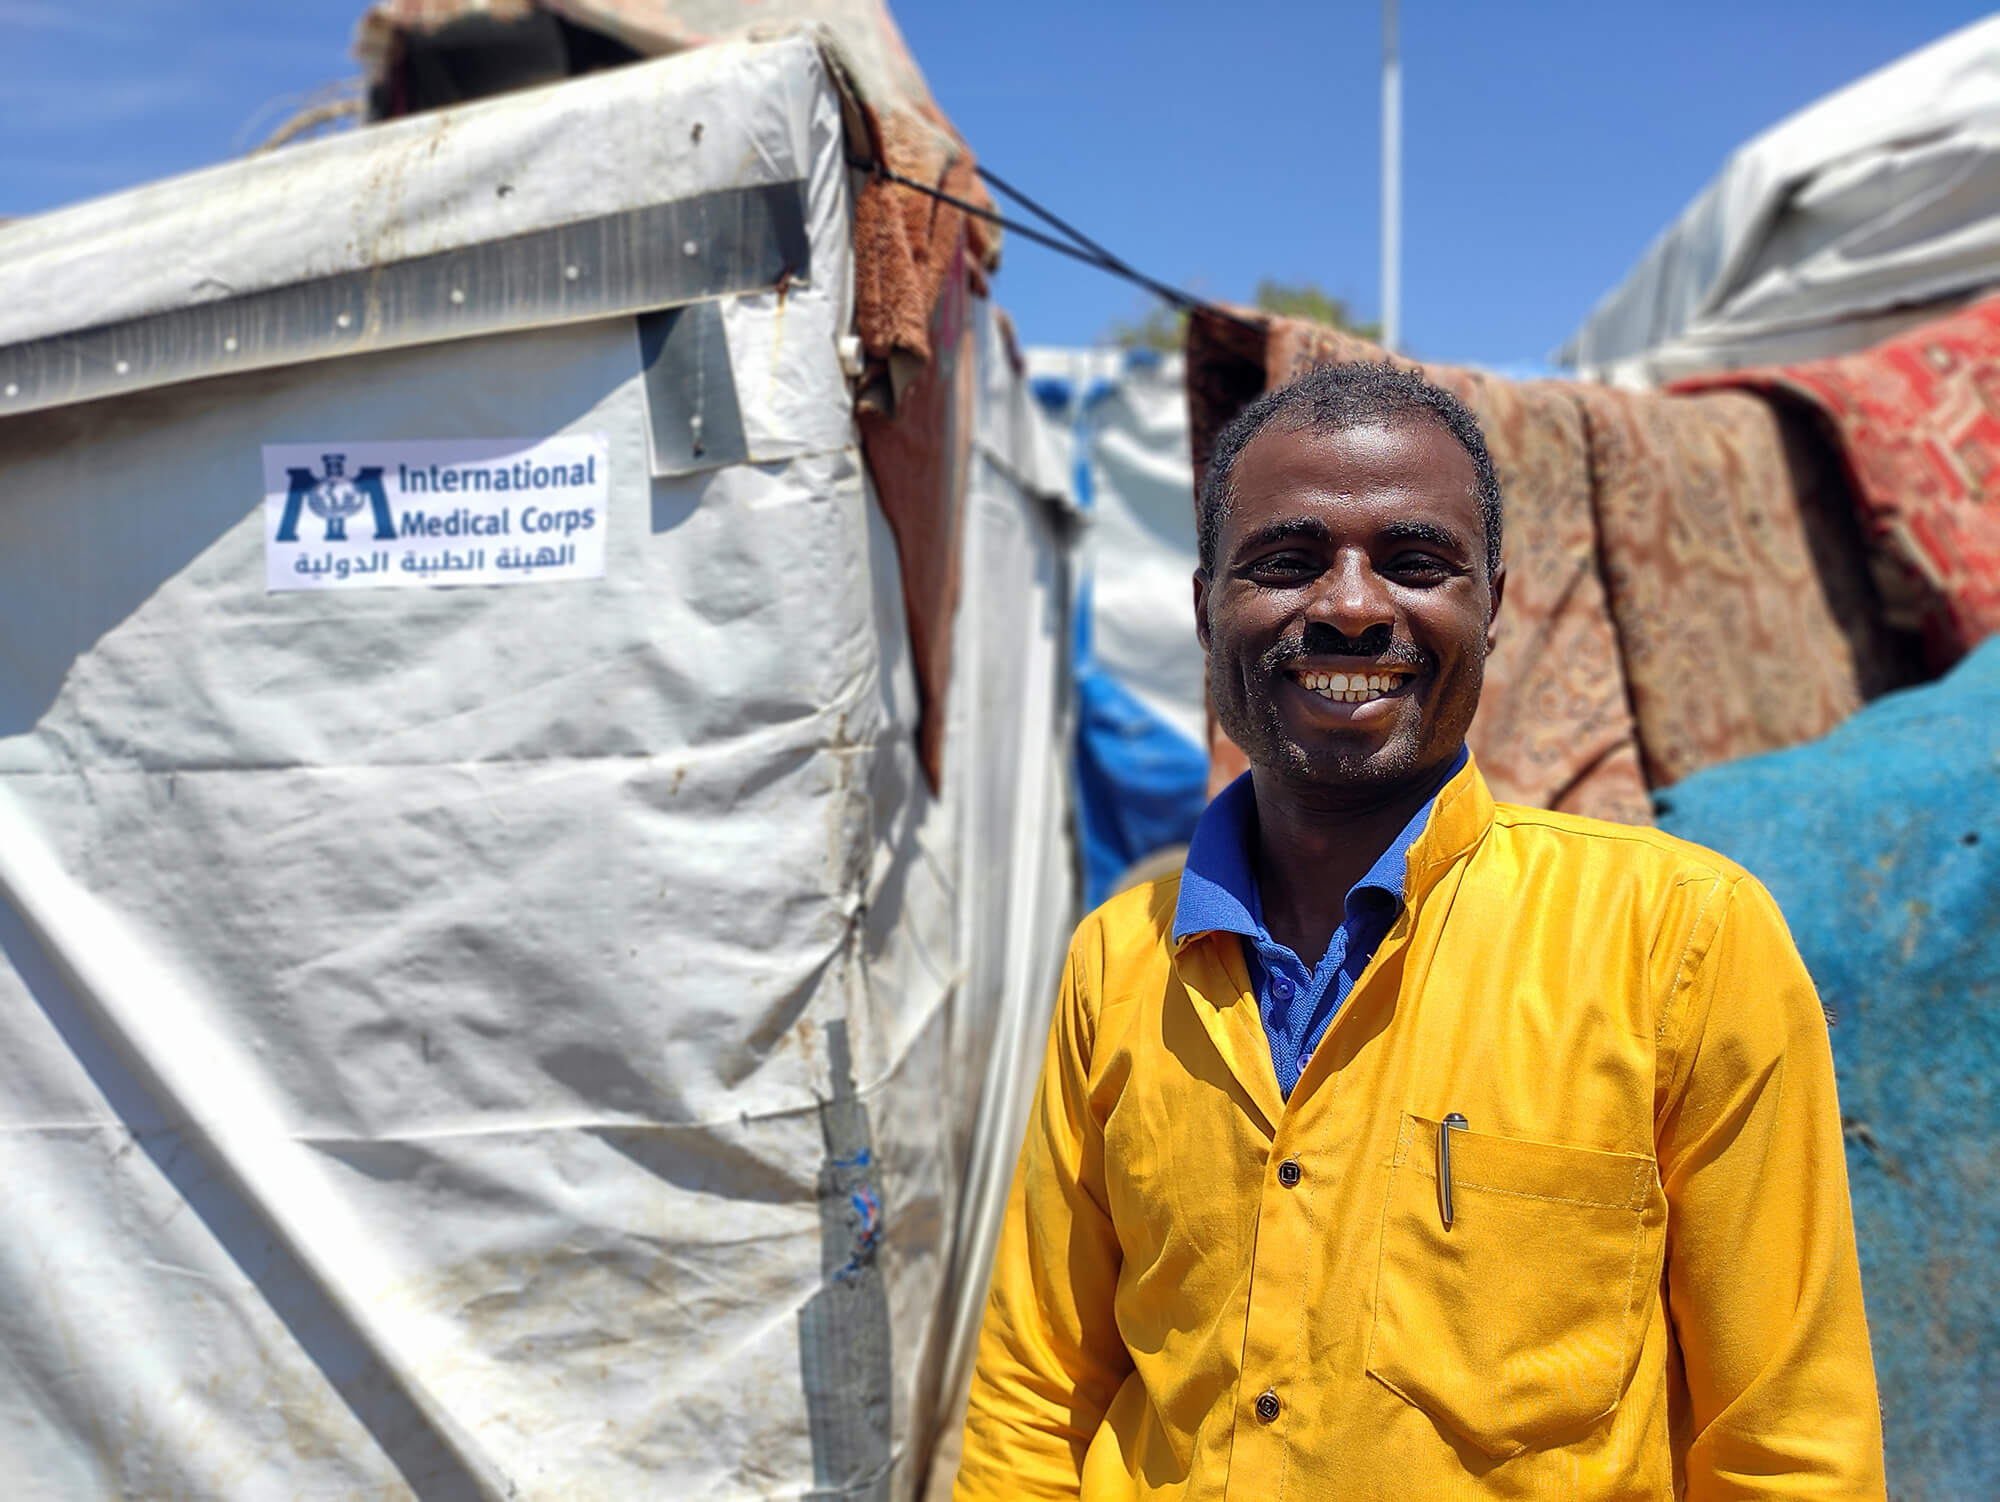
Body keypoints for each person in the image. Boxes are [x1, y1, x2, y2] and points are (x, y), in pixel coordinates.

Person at [953, 362, 1884, 1499]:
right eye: (1288, 561)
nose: (1349, 605)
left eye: (1412, 561)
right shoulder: (1117, 955)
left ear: (1489, 605)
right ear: (1205, 610)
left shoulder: (1677, 939)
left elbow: (1789, 1443)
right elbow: (1034, 1395)